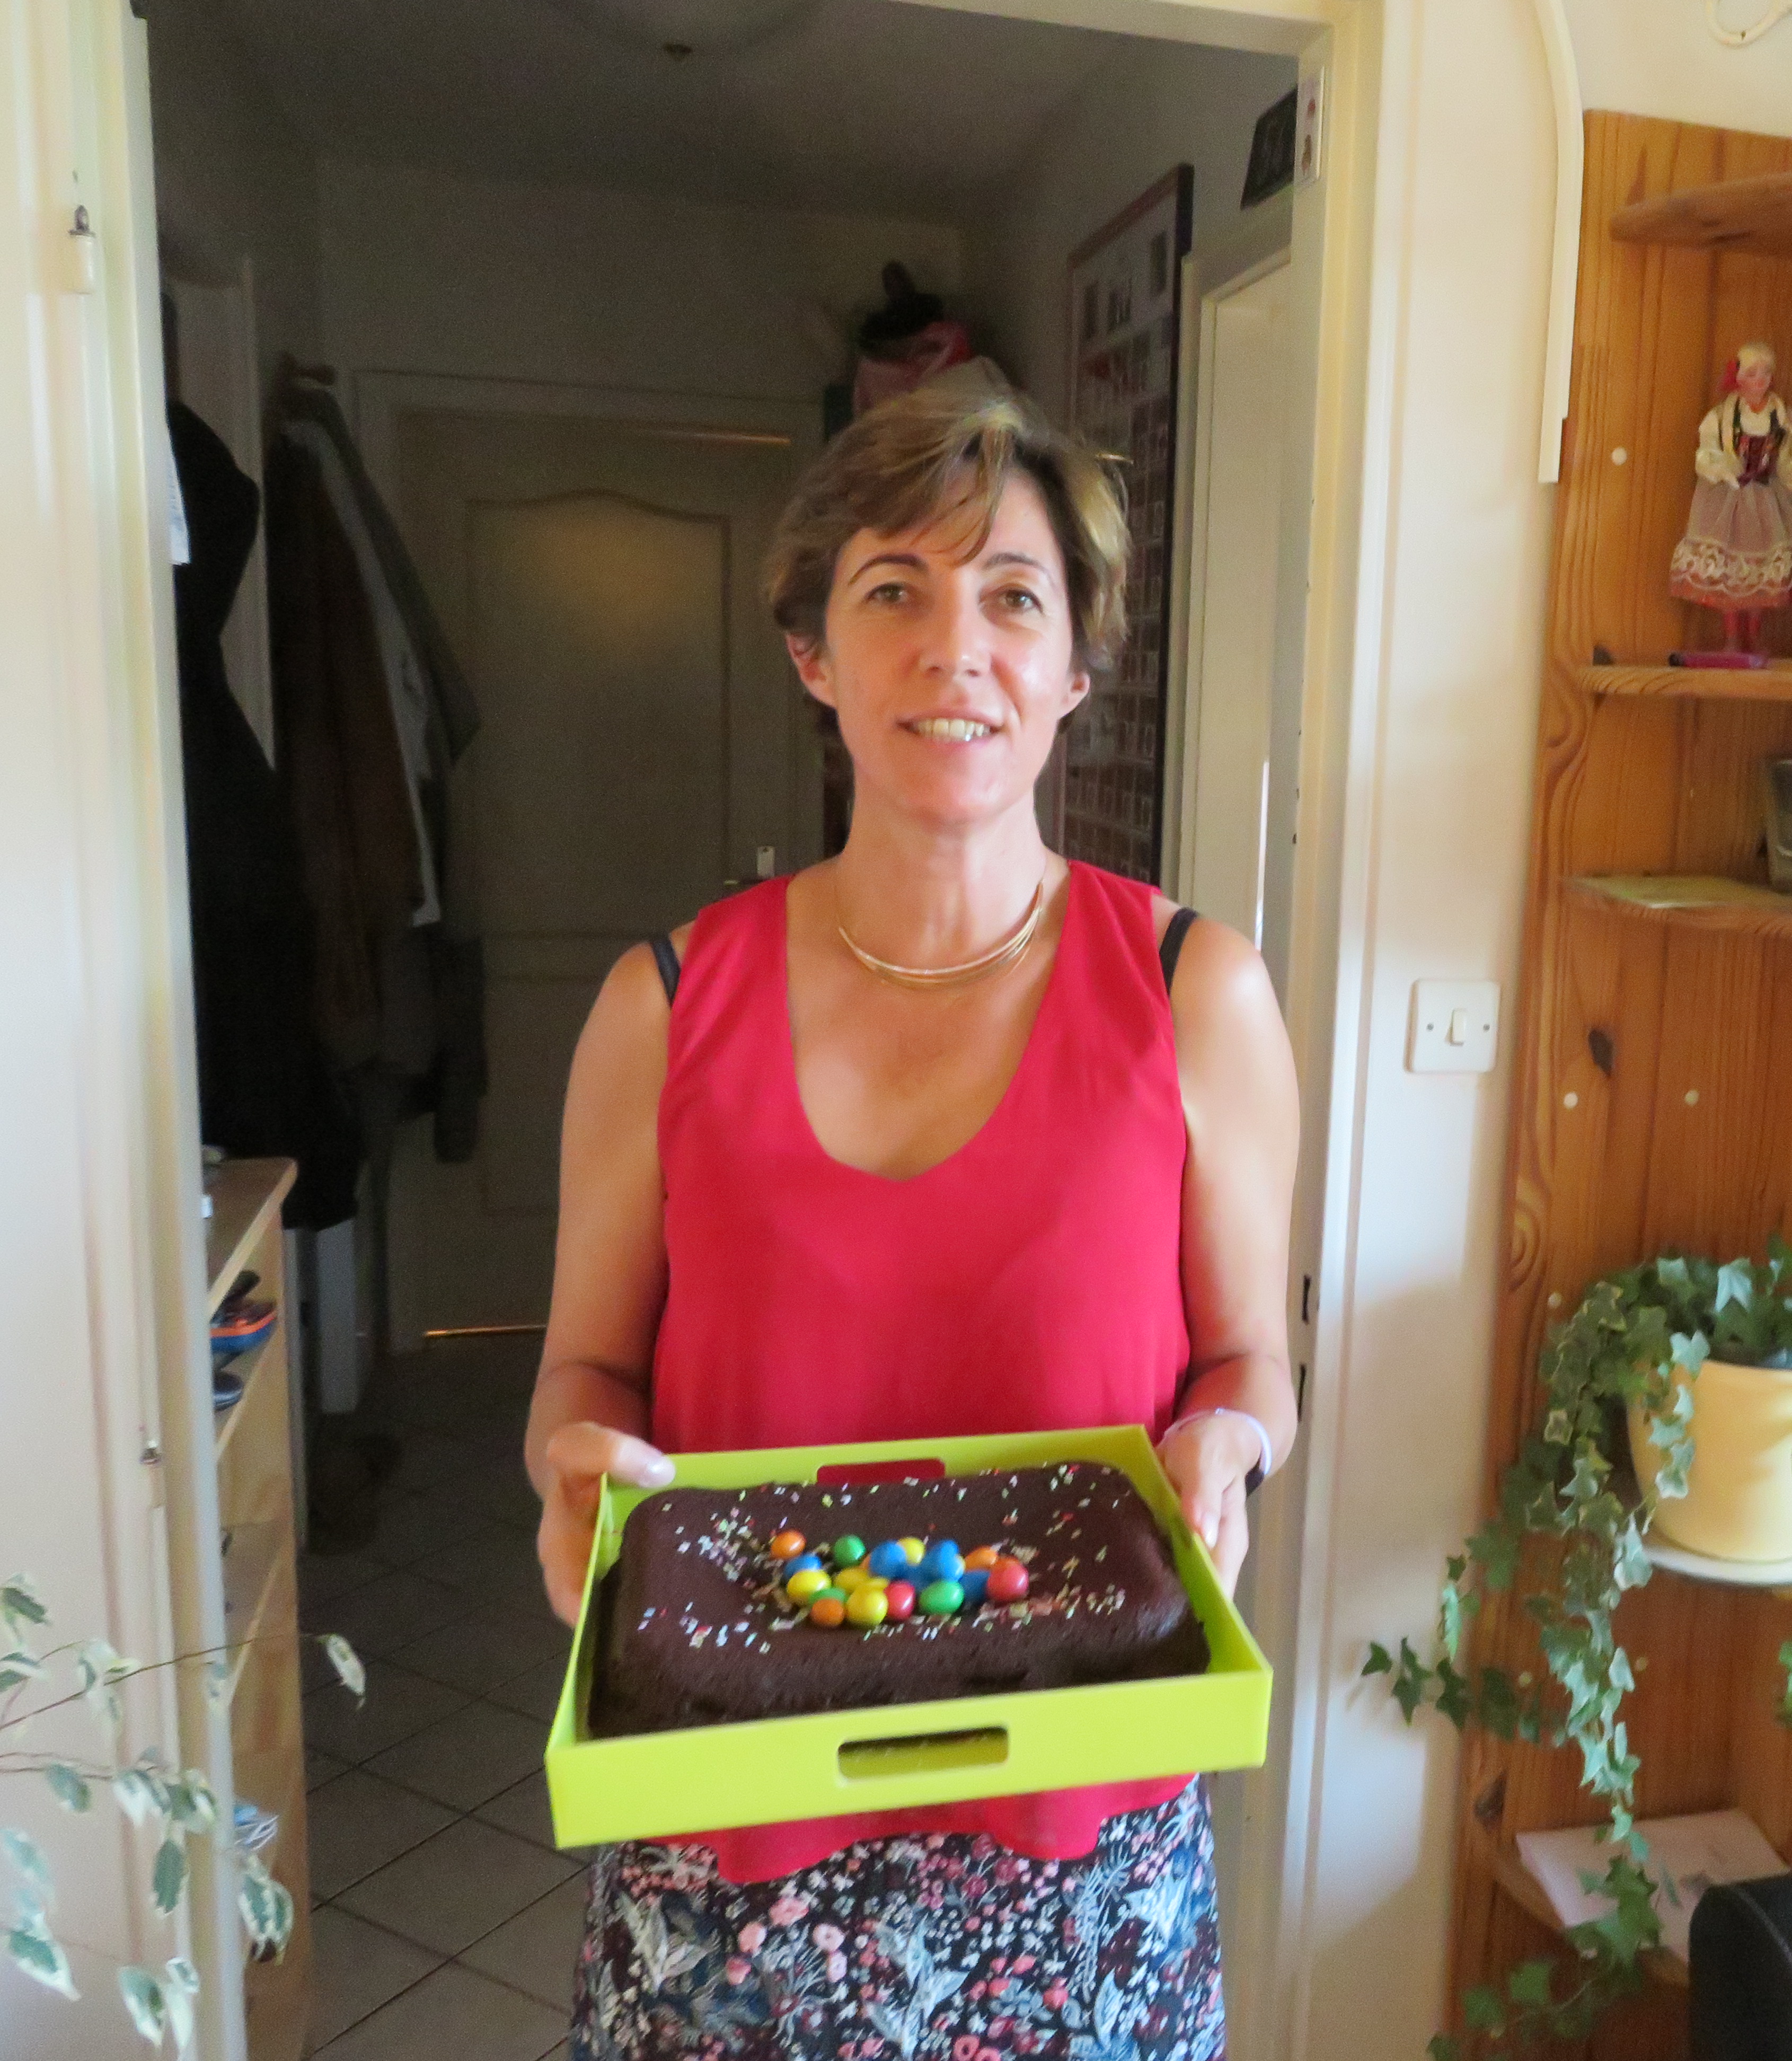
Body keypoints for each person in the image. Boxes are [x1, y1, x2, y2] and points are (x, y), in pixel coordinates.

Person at [526, 380, 1301, 2060]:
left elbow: (1252, 1360)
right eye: (896, 591)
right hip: (732, 1858)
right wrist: (574, 1481)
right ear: (814, 651)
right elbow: (584, 1372)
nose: (958, 649)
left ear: (1076, 667)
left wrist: (1230, 1445)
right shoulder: (664, 1008)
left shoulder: (1199, 996)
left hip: (1081, 1864)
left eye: (1014, 597)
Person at [1667, 340, 1792, 655]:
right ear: (1738, 377)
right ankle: (1731, 637)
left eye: (1766, 373)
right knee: (1729, 570)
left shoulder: (1783, 415)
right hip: (1730, 497)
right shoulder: (1722, 417)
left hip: (1767, 497)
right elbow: (1708, 450)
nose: (1760, 380)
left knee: (1762, 569)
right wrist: (1722, 469)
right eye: (1753, 373)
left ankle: (1753, 635)